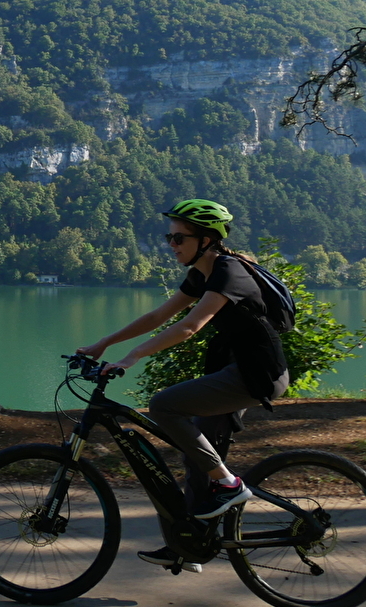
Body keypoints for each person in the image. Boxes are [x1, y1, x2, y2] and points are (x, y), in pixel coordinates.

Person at [75, 198, 290, 569]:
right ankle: (189, 545)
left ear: (206, 239)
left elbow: (190, 326)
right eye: (169, 237)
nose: (171, 245)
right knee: (198, 460)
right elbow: (159, 315)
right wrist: (104, 344)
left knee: (164, 406)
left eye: (178, 238)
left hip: (255, 375)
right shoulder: (202, 273)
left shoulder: (229, 272)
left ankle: (230, 485)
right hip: (234, 371)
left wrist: (131, 357)